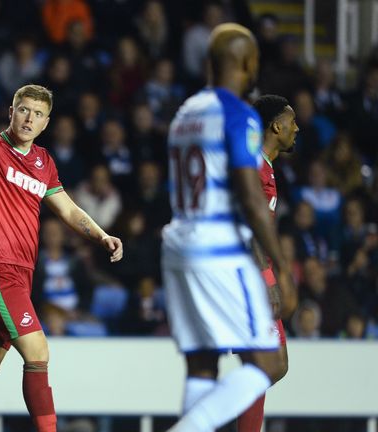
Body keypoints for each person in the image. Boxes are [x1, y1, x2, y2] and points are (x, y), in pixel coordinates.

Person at [0, 44, 123, 432]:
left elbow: (69, 211)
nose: (30, 119)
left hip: (20, 274)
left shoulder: (44, 162)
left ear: (47, 123)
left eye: (38, 114)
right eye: (24, 110)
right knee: (38, 351)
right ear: (11, 112)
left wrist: (101, 236)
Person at [162, 24, 296, 432]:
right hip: (222, 254)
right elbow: (250, 205)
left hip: (180, 250)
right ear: (247, 63)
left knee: (202, 369)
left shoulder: (186, 113)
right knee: (271, 363)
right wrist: (280, 273)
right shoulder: (239, 117)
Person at [236, 94, 300, 431]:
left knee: (268, 367)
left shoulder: (264, 167)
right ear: (276, 126)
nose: (297, 128)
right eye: (292, 122)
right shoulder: (254, 169)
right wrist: (269, 284)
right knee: (270, 365)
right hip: (249, 279)